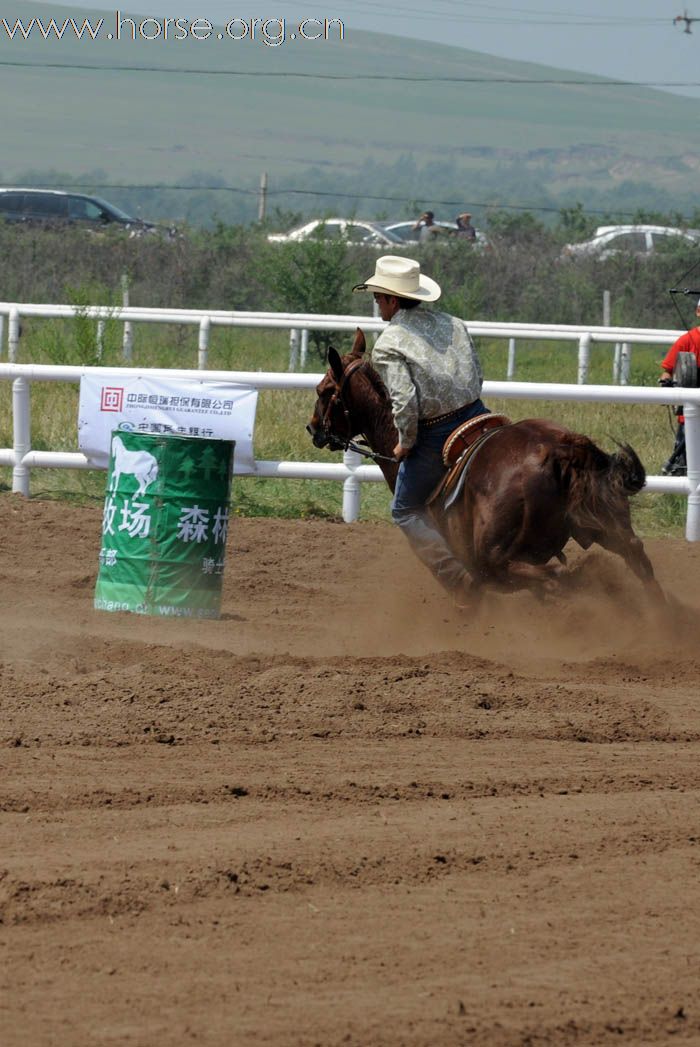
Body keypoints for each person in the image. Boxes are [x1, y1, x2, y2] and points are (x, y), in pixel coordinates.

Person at [353, 255, 489, 604]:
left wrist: (405, 443)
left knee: (404, 509)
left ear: (392, 300)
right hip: (479, 417)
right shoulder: (455, 324)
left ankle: (460, 583)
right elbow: (476, 373)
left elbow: (404, 401)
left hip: (437, 433)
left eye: (378, 298)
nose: (377, 304)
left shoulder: (389, 343)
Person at [659, 298, 700, 476]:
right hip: (689, 416)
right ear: (698, 312)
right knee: (685, 463)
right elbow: (667, 372)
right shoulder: (686, 341)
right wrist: (666, 385)